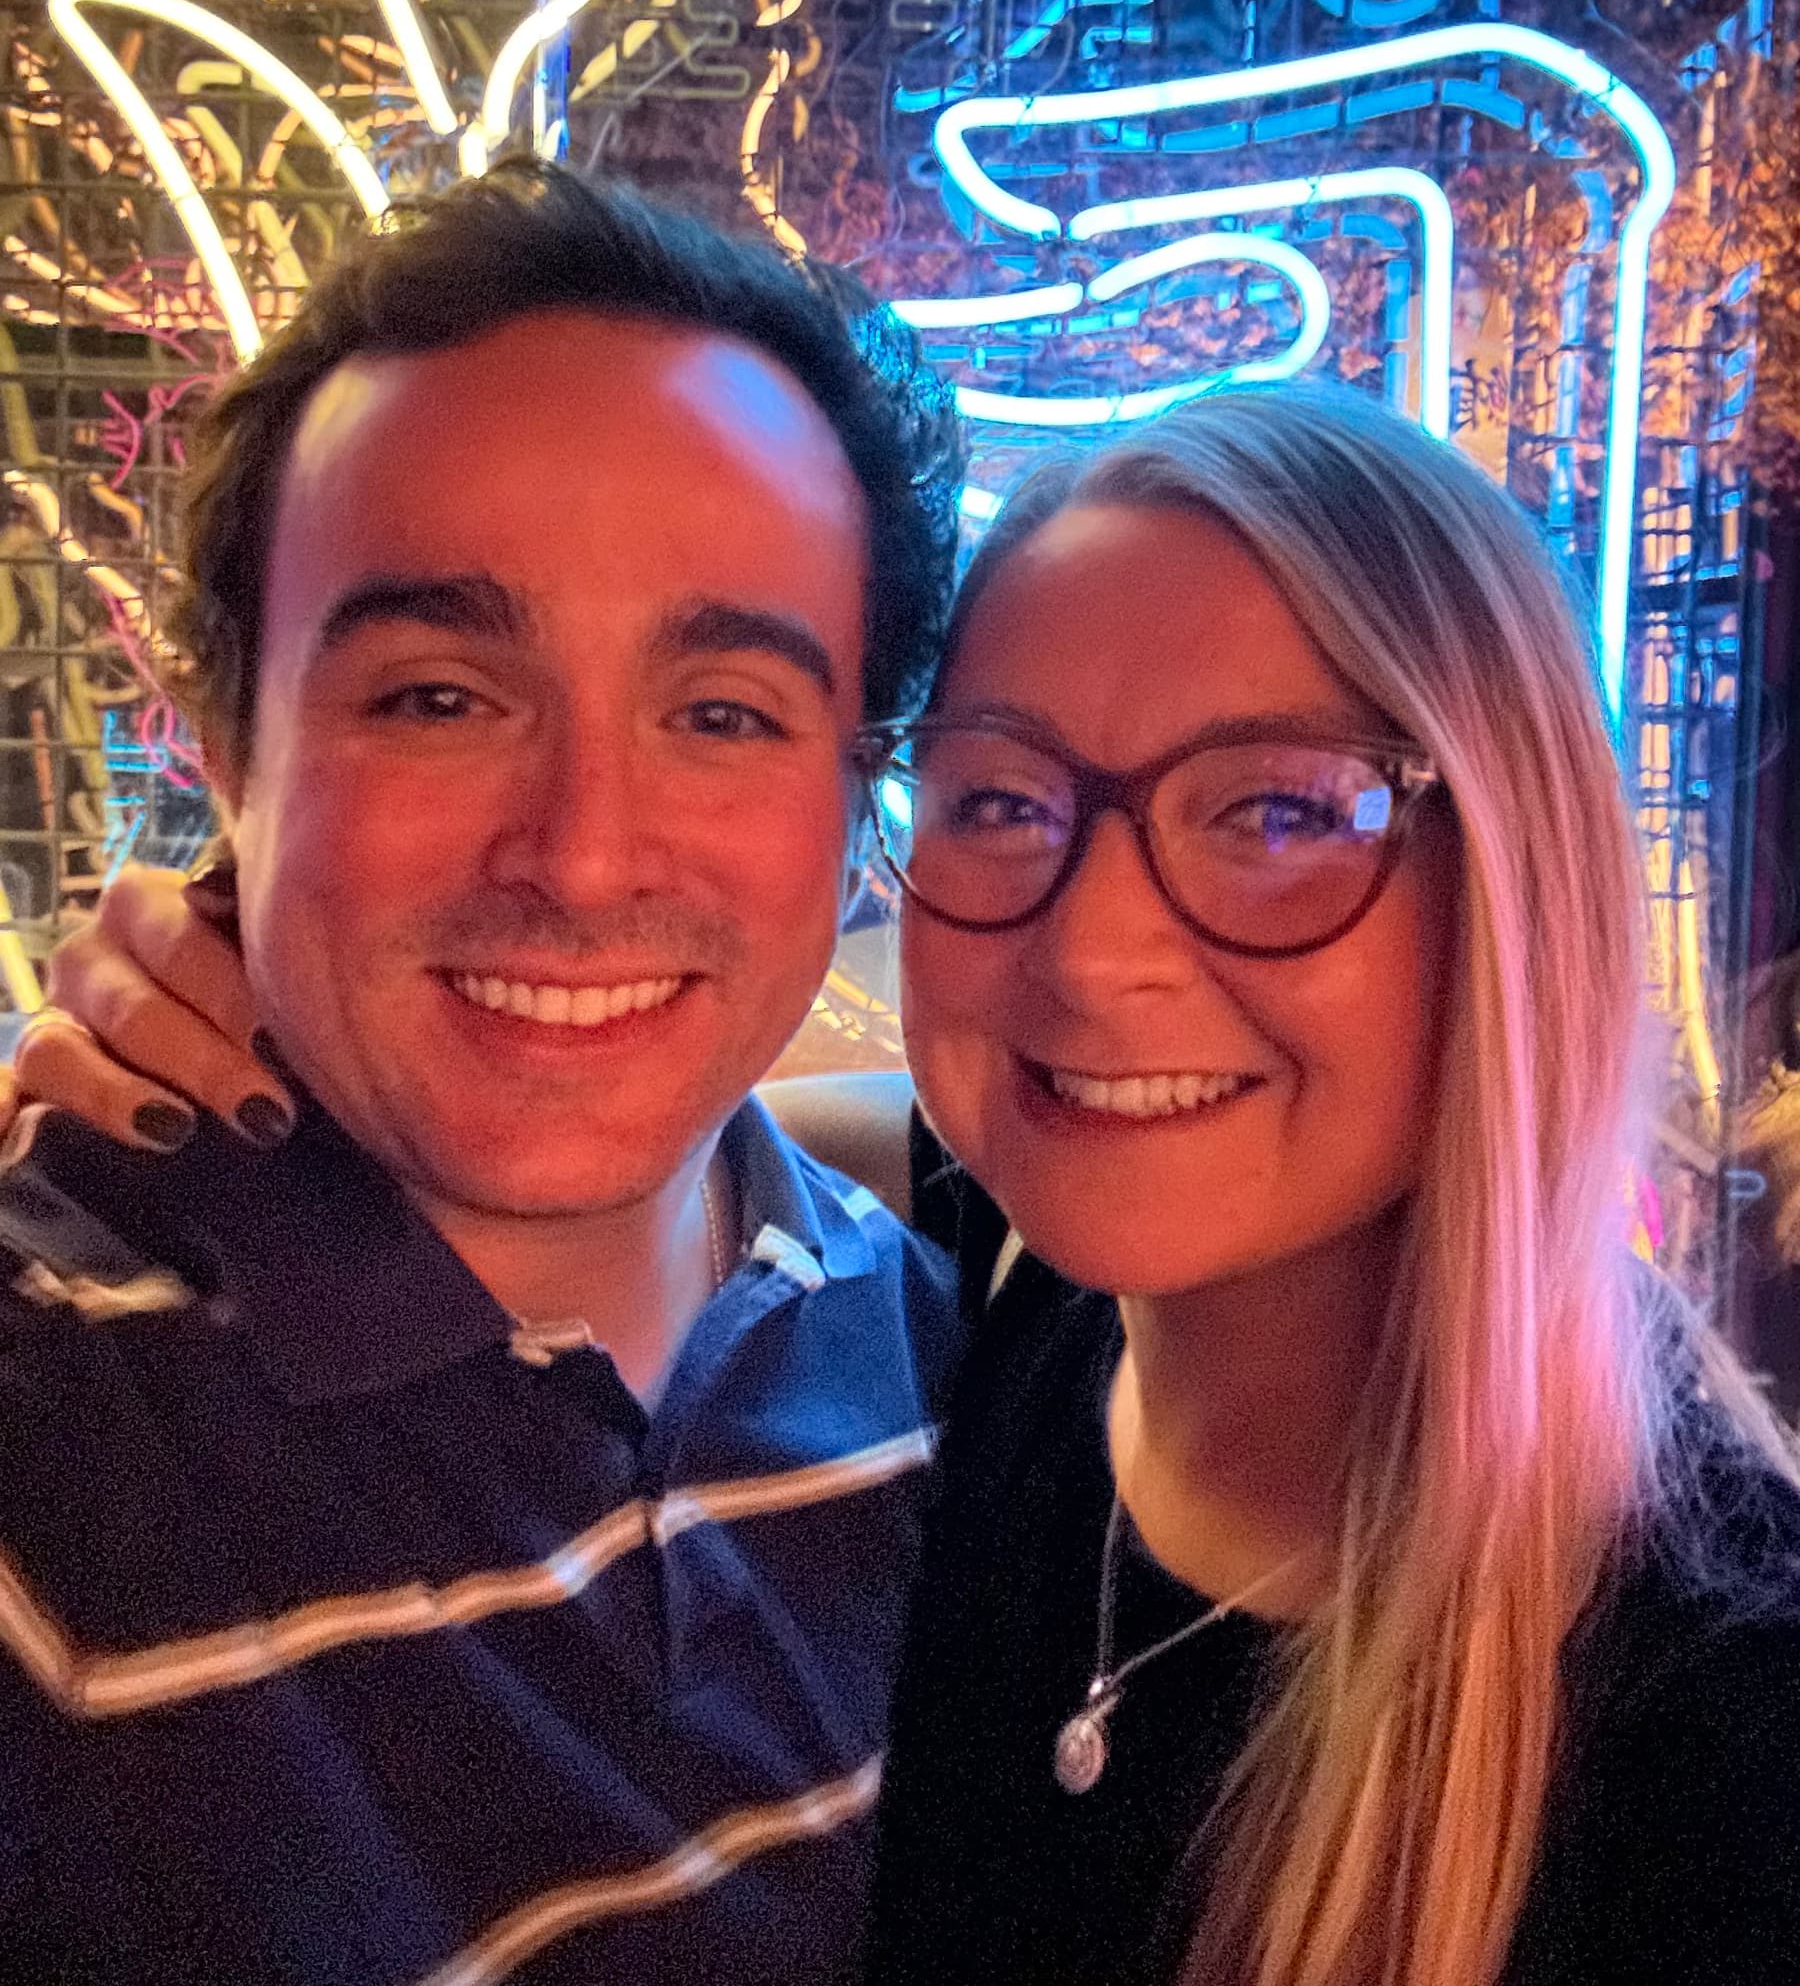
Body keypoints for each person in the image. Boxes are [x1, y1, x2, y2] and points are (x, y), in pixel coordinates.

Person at [28, 389, 1800, 1983]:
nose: (1091, 958)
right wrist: (252, 950)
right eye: (1003, 803)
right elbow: (662, 1119)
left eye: (1278, 814)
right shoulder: (980, 1289)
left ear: (1520, 883)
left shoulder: (1722, 1729)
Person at [0, 158, 964, 1984]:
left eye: (723, 714)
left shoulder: (952, 1361)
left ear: (858, 811)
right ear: (229, 751)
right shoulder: (54, 1451)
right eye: (436, 698)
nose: (583, 857)